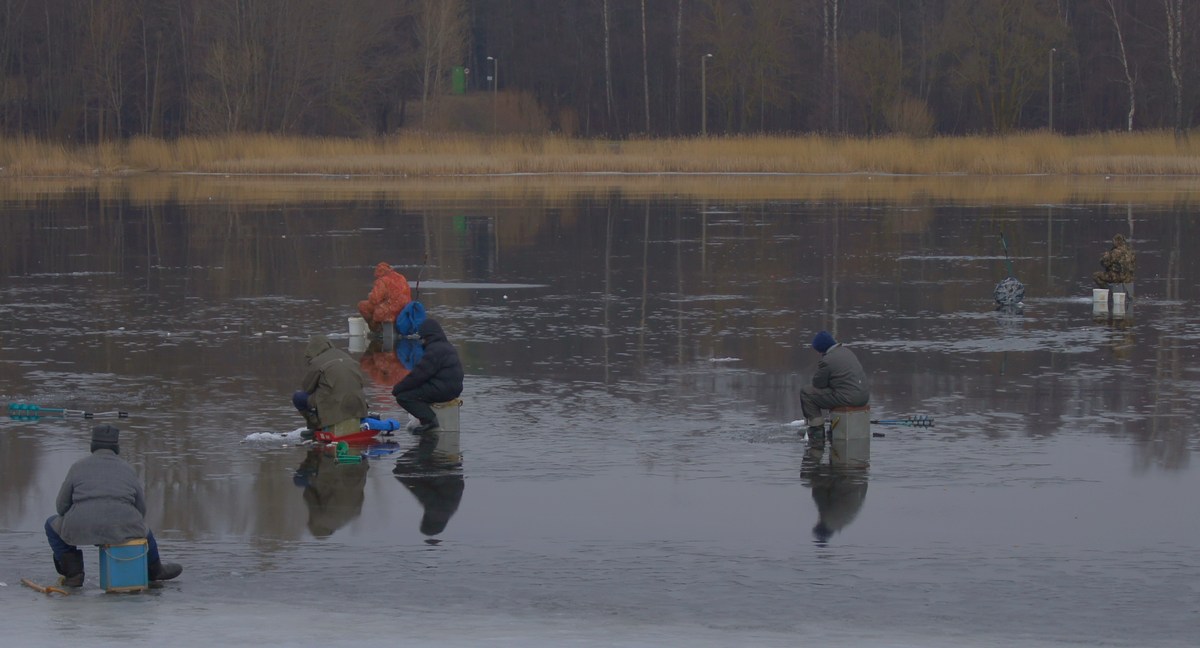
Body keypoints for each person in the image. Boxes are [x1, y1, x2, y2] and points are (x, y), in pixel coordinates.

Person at [44, 425, 182, 587]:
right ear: (116, 447)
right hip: (122, 525)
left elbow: (61, 507)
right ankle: (155, 570)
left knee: (50, 524)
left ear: (92, 446)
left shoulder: (77, 467)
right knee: (144, 529)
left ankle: (74, 573)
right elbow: (141, 510)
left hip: (81, 525)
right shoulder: (128, 469)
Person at [391, 318, 464, 435]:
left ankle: (429, 420)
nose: (422, 342)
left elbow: (419, 375)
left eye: (422, 338)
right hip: (451, 388)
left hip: (443, 389)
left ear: (428, 337)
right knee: (415, 391)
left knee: (404, 397)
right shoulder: (446, 346)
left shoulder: (435, 350)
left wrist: (398, 388)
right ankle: (426, 418)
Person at [293, 334, 369, 439]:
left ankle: (316, 427)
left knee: (298, 397)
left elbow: (307, 388)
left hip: (334, 405)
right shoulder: (345, 355)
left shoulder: (316, 362)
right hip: (358, 405)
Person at [800, 330, 870, 444]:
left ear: (821, 349)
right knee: (832, 392)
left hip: (849, 398)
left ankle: (816, 431)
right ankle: (832, 429)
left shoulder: (827, 360)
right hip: (863, 396)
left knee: (806, 392)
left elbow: (818, 384)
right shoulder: (847, 351)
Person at [357, 262, 412, 332]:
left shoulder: (383, 280)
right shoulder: (401, 277)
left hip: (390, 312)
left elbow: (375, 299)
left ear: (379, 272)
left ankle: (376, 330)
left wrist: (370, 295)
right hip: (405, 310)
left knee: (362, 305)